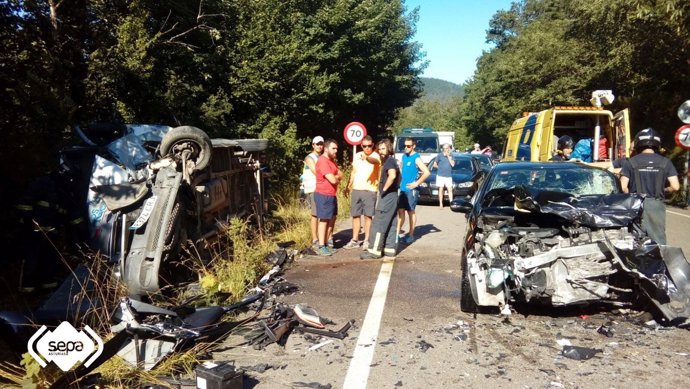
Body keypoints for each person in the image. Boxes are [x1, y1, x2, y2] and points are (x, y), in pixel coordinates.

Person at [620, 128, 679, 244]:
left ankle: (638, 260)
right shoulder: (665, 162)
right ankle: (659, 260)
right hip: (656, 204)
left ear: (638, 143)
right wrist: (664, 190)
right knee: (658, 238)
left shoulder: (631, 162)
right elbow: (675, 186)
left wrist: (631, 194)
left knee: (635, 236)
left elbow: (623, 187)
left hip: (635, 204)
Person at [361, 139, 400, 260]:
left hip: (387, 196)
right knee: (391, 223)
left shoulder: (389, 161)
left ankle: (374, 251)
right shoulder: (391, 161)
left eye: (383, 148)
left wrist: (383, 190)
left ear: (389, 149)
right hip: (393, 196)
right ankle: (389, 249)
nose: (381, 151)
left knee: (379, 223)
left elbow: (392, 175)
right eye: (379, 149)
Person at [343, 136, 381, 250]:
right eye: (365, 146)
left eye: (369, 146)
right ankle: (355, 239)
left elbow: (376, 162)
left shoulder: (375, 156)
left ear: (373, 145)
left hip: (370, 190)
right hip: (357, 189)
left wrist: (367, 158)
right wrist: (348, 186)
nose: (367, 148)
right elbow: (354, 171)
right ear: (361, 146)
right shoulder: (357, 155)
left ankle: (367, 240)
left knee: (368, 216)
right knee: (355, 215)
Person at [396, 137, 430, 243]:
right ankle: (396, 234)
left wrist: (416, 183)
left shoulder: (416, 157)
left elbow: (427, 172)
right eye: (404, 146)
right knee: (400, 211)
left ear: (413, 146)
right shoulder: (404, 156)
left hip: (411, 190)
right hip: (402, 189)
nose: (406, 148)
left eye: (408, 146)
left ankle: (410, 235)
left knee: (410, 211)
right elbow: (402, 171)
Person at [314, 139, 344, 256]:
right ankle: (321, 245)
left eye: (336, 148)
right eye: (333, 148)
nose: (336, 150)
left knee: (331, 219)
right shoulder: (323, 161)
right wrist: (336, 178)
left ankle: (326, 243)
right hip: (323, 194)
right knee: (324, 220)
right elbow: (333, 179)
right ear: (326, 149)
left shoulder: (331, 161)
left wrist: (335, 177)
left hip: (331, 194)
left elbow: (341, 175)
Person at [301, 136, 325, 248]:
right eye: (317, 144)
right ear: (313, 145)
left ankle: (322, 237)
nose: (319, 146)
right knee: (315, 214)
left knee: (322, 214)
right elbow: (316, 171)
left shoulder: (321, 157)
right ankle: (315, 238)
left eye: (321, 144)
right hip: (313, 188)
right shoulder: (309, 158)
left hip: (321, 188)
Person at [433, 143, 454, 208]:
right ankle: (441, 204)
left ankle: (451, 203)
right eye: (444, 148)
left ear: (449, 148)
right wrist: (439, 167)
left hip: (448, 175)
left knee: (450, 189)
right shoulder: (439, 155)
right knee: (441, 189)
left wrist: (448, 157)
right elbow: (434, 164)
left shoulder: (451, 155)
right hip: (440, 175)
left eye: (446, 148)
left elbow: (453, 164)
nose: (445, 150)